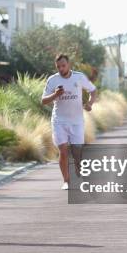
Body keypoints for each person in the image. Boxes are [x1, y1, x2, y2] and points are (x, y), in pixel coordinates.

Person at [42, 54, 97, 190]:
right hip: (59, 121)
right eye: (58, 66)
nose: (61, 68)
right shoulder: (53, 80)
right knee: (64, 151)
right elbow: (43, 101)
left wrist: (90, 103)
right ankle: (66, 181)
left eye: (63, 65)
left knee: (77, 154)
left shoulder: (78, 77)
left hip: (77, 122)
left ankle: (80, 176)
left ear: (69, 64)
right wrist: (55, 95)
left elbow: (93, 90)